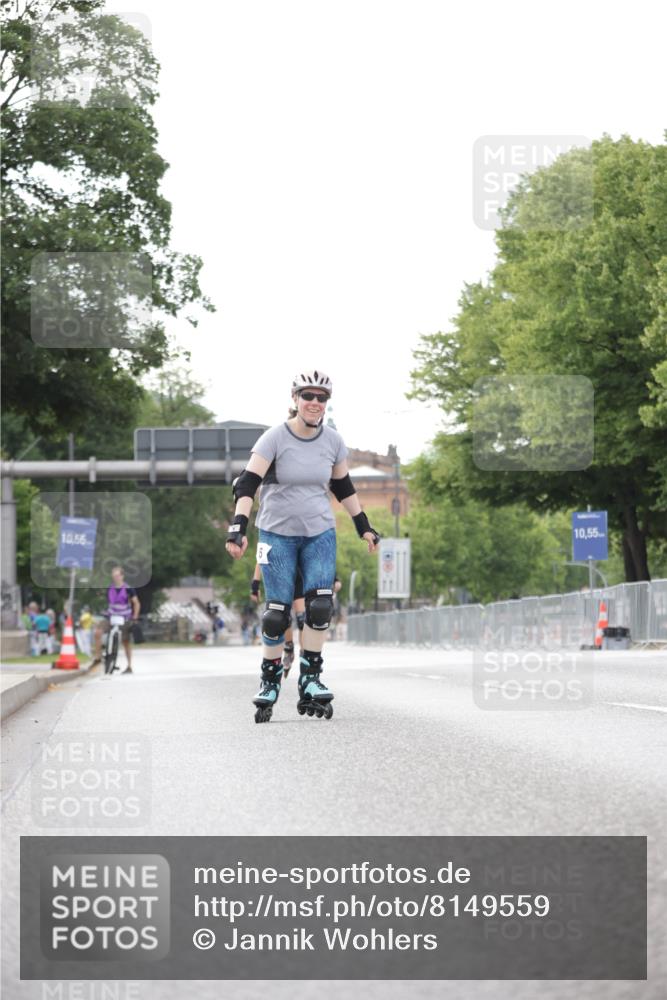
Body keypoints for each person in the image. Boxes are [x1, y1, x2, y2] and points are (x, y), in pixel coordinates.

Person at [226, 369, 380, 723]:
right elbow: (247, 483)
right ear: (294, 399)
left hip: (319, 533)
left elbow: (343, 487)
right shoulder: (274, 439)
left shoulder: (333, 441)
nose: (314, 403)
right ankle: (269, 681)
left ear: (327, 404)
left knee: (320, 606)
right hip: (276, 534)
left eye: (321, 398)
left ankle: (311, 679)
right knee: (277, 613)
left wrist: (364, 527)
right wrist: (238, 527)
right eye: (307, 396)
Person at [91, 566, 141, 673]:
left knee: (126, 641)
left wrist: (135, 616)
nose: (116, 578)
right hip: (111, 617)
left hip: (124, 618)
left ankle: (129, 666)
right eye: (114, 576)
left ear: (122, 576)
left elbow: (136, 603)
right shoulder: (109, 588)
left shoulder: (128, 589)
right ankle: (98, 658)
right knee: (98, 633)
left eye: (118, 576)